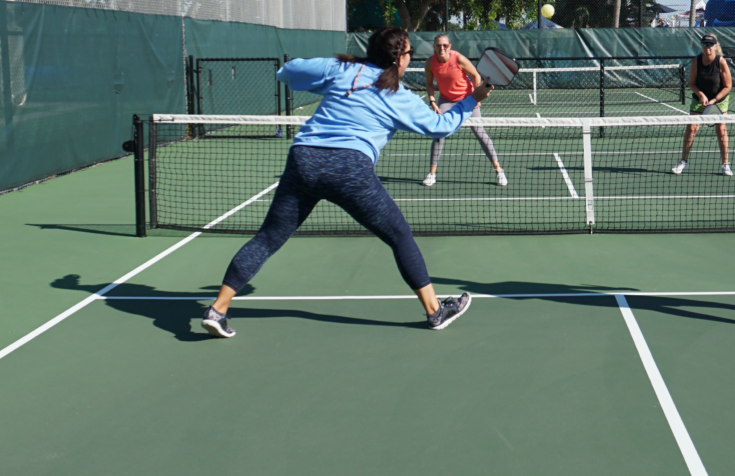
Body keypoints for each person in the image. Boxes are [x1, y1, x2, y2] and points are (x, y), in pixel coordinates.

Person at [200, 28, 493, 339]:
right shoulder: (398, 95)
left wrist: (338, 69)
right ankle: (435, 312)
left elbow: (287, 70)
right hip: (349, 169)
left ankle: (217, 310)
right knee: (399, 235)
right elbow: (440, 126)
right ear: (398, 59)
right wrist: (471, 99)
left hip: (304, 161)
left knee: (268, 238)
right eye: (408, 54)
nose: (411, 58)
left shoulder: (342, 70)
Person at [423, 33, 506, 187]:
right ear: (434, 47)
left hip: (467, 99)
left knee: (480, 133)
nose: (442, 48)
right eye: (438, 45)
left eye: (445, 45)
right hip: (446, 100)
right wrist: (432, 101)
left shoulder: (458, 58)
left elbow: (475, 75)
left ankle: (499, 170)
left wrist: (475, 97)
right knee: (439, 134)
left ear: (449, 46)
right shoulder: (430, 63)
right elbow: (429, 83)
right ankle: (432, 174)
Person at [671, 33, 734, 176]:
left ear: (715, 46)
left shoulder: (721, 62)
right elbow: (692, 84)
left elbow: (728, 86)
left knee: (721, 130)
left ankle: (725, 164)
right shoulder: (696, 62)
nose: (708, 48)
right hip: (699, 100)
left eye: (710, 45)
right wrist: (701, 95)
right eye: (705, 45)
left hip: (719, 100)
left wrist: (714, 100)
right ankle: (683, 162)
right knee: (691, 128)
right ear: (702, 46)